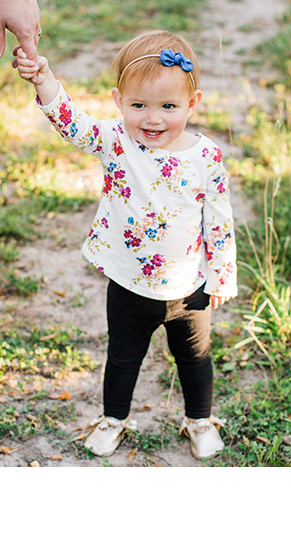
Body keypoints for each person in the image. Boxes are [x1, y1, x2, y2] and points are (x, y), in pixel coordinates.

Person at [14, 30, 237, 460]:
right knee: (122, 358)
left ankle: (200, 419)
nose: (152, 119)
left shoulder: (205, 157)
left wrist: (222, 272)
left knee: (195, 359)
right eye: (139, 106)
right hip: (129, 283)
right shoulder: (116, 141)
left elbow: (219, 217)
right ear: (119, 100)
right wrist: (44, 80)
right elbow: (73, 124)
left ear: (192, 104)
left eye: (168, 107)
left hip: (189, 288)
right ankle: (113, 419)